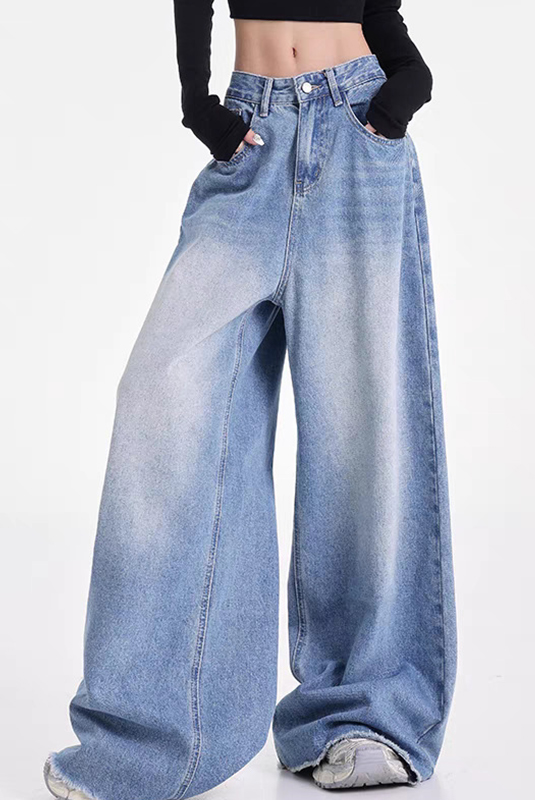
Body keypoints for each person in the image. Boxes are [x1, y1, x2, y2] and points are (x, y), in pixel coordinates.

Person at [43, 2, 457, 798]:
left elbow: (380, 13)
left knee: (364, 435)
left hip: (357, 137)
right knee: (161, 398)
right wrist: (198, 105)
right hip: (252, 139)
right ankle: (153, 736)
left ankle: (366, 715)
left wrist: (403, 89)